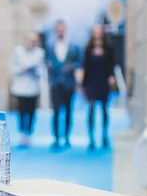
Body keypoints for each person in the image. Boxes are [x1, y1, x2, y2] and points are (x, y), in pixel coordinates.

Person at [45, 20, 81, 150]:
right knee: (55, 111)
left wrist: (71, 67)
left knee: (68, 110)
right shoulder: (50, 45)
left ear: (65, 30)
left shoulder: (73, 46)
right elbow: (48, 61)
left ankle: (66, 136)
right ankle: (56, 137)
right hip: (55, 83)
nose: (60, 31)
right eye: (58, 29)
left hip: (68, 83)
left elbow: (79, 62)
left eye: (62, 29)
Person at [81, 24, 116, 150]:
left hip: (103, 81)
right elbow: (85, 66)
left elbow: (112, 64)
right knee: (91, 108)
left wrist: (111, 77)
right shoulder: (88, 48)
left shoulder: (109, 48)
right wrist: (83, 85)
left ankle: (104, 135)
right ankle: (91, 137)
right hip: (91, 81)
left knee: (104, 109)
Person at [10, 31, 46, 147]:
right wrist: (22, 69)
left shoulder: (40, 53)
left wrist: (34, 71)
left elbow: (42, 70)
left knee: (31, 111)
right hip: (20, 87)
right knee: (21, 111)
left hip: (33, 87)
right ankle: (22, 133)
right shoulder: (18, 51)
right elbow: (12, 68)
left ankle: (29, 133)